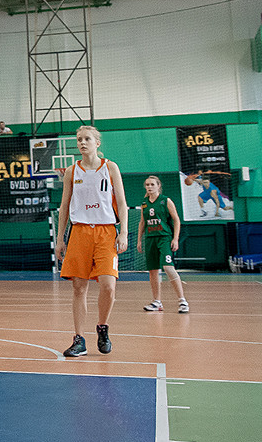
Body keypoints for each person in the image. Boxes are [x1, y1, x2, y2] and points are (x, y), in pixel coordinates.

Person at [55, 125, 128, 357]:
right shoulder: (71, 171)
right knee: (79, 287)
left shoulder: (110, 167)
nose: (82, 143)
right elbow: (64, 206)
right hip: (80, 232)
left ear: (97, 143)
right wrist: (60, 238)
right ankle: (79, 340)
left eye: (87, 139)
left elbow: (122, 202)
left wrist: (124, 232)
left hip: (106, 232)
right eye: (79, 139)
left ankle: (102, 327)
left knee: (108, 285)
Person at [139, 176, 189, 313]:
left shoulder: (165, 200)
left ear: (158, 186)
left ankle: (182, 300)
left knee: (168, 267)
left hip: (164, 238)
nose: (149, 187)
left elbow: (176, 220)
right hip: (150, 238)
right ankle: (157, 302)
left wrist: (175, 239)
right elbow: (142, 222)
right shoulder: (144, 203)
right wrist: (139, 240)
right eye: (147, 184)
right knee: (153, 271)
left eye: (152, 184)